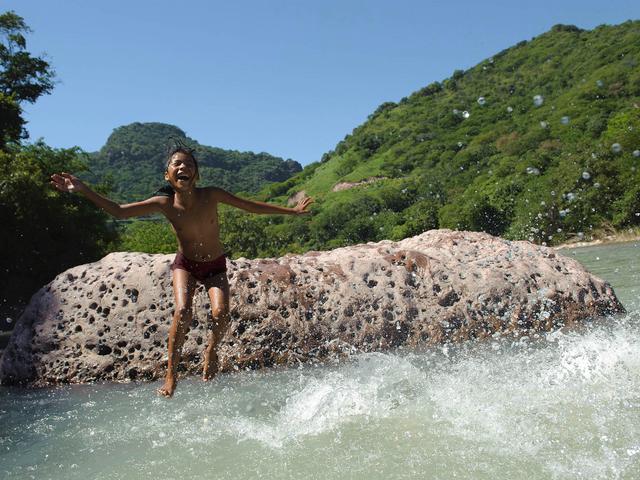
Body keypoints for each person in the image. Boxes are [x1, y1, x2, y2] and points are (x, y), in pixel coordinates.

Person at [50, 145, 313, 397]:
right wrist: (83, 189)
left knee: (221, 313)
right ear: (168, 175)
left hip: (214, 265)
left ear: (196, 174)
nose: (183, 166)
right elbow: (119, 212)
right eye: (176, 163)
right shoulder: (164, 204)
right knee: (183, 310)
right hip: (185, 265)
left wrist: (291, 211)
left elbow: (251, 206)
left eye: (188, 164)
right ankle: (171, 375)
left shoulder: (212, 195)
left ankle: (211, 350)